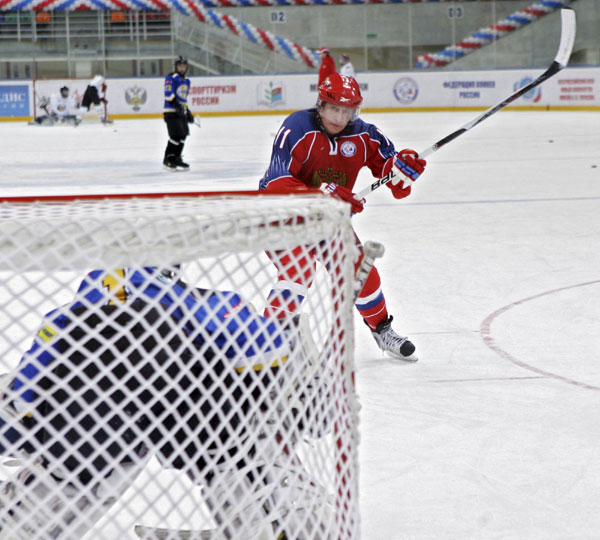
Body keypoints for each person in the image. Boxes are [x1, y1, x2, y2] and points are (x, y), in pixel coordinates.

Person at [0, 266, 329, 538]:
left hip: (83, 430)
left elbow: (41, 354)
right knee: (232, 438)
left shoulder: (83, 309)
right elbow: (268, 347)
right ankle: (266, 519)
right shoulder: (202, 306)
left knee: (88, 460)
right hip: (151, 424)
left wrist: (23, 407)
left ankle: (25, 517)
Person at [258, 73, 427, 363]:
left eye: (347, 110)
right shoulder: (296, 127)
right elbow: (276, 182)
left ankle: (382, 330)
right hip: (281, 213)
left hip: (327, 220)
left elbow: (397, 185)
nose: (340, 116)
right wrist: (325, 192)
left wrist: (405, 169)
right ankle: (267, 339)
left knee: (360, 270)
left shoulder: (365, 135)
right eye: (334, 108)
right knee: (298, 269)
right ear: (320, 105)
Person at [163, 56, 195, 172]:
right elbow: (168, 94)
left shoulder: (187, 81)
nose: (182, 68)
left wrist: (187, 112)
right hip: (170, 112)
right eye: (180, 66)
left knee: (183, 135)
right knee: (175, 135)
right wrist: (178, 107)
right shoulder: (171, 77)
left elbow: (183, 99)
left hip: (181, 112)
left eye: (184, 66)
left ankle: (177, 158)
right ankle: (168, 159)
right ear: (176, 67)